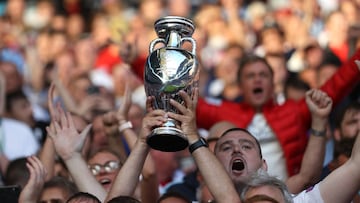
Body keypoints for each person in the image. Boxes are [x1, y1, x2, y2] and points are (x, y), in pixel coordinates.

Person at [196, 53, 360, 181]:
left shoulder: (293, 112)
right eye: (250, 76)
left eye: (263, 75)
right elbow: (189, 106)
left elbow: (336, 84)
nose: (257, 80)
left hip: (290, 194)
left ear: (273, 83)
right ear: (240, 85)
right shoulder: (225, 112)